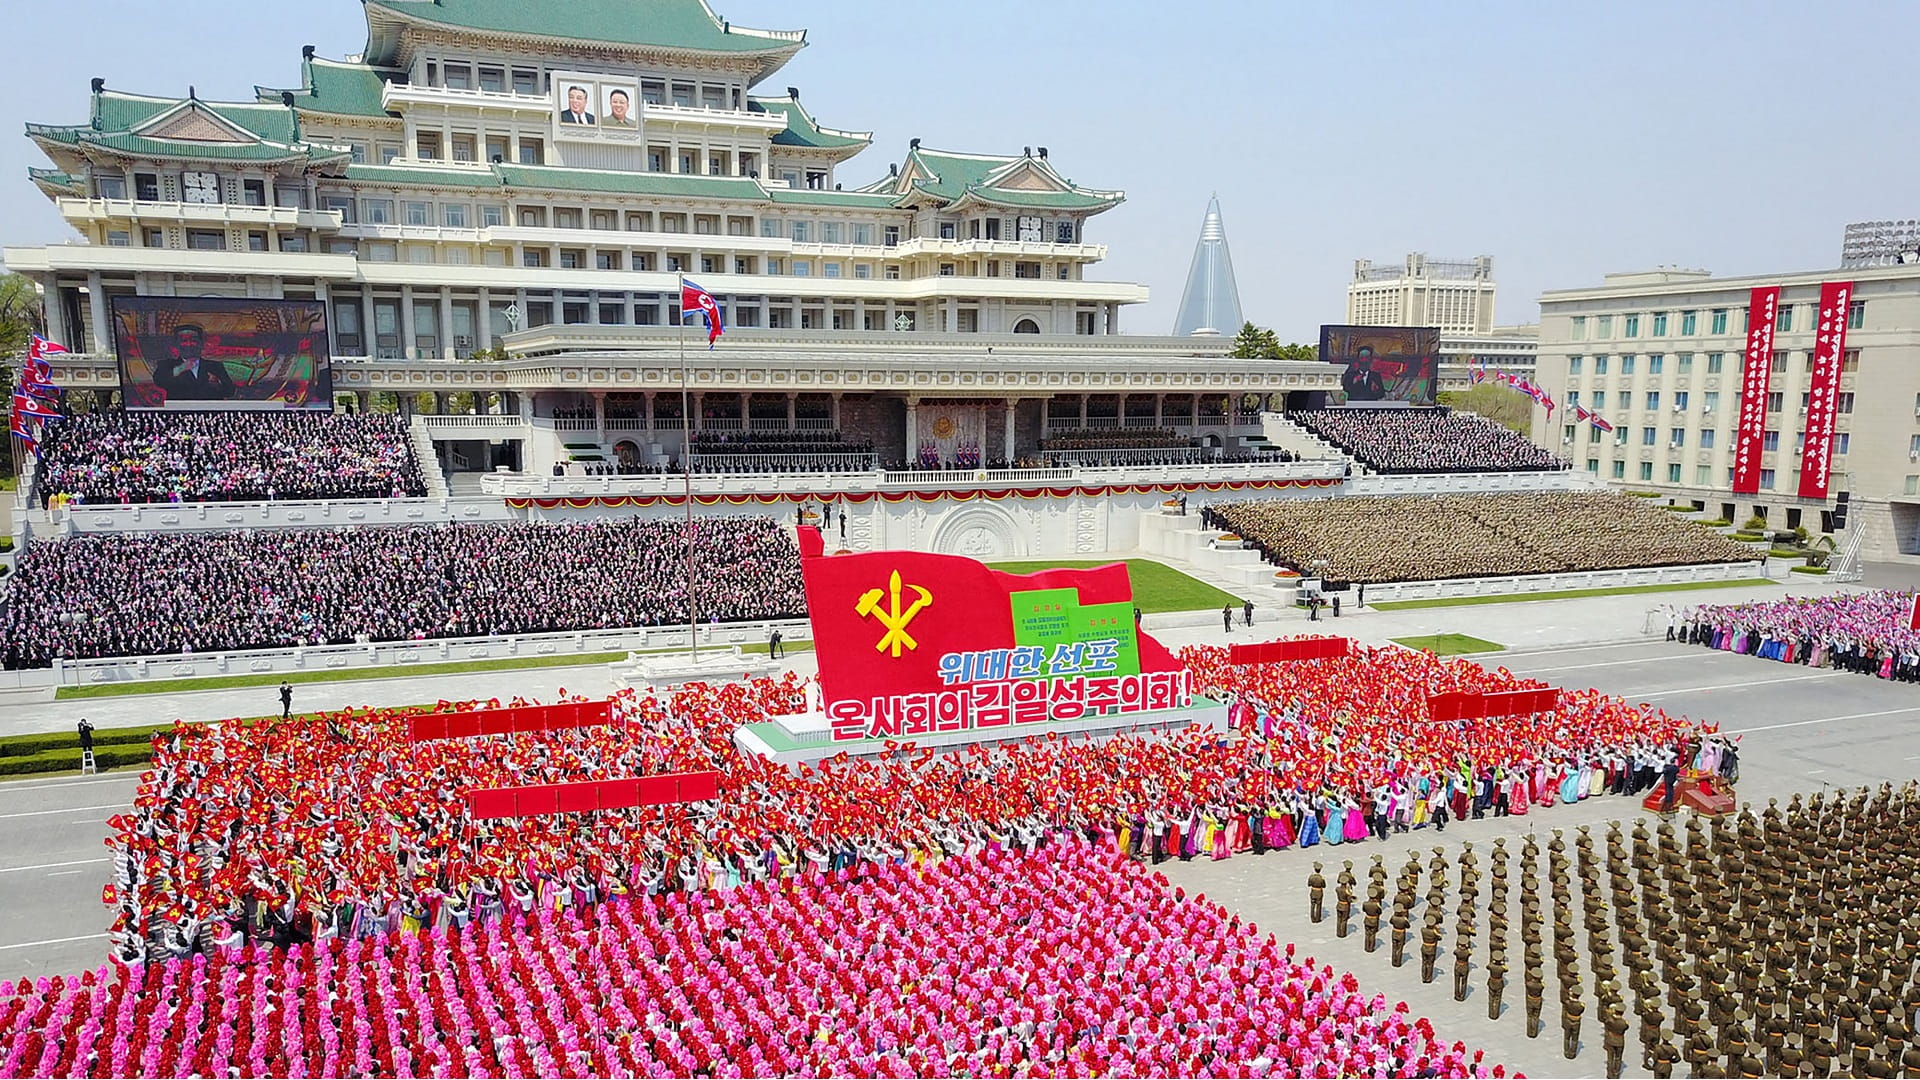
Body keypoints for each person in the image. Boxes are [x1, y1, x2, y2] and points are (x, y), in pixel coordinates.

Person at [151, 324, 235, 402]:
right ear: (176, 344)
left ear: (201, 343)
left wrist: (217, 384)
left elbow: (230, 391)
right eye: (184, 341)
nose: (189, 344)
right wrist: (180, 369)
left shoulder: (215, 366)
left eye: (193, 340)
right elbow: (159, 380)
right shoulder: (166, 365)